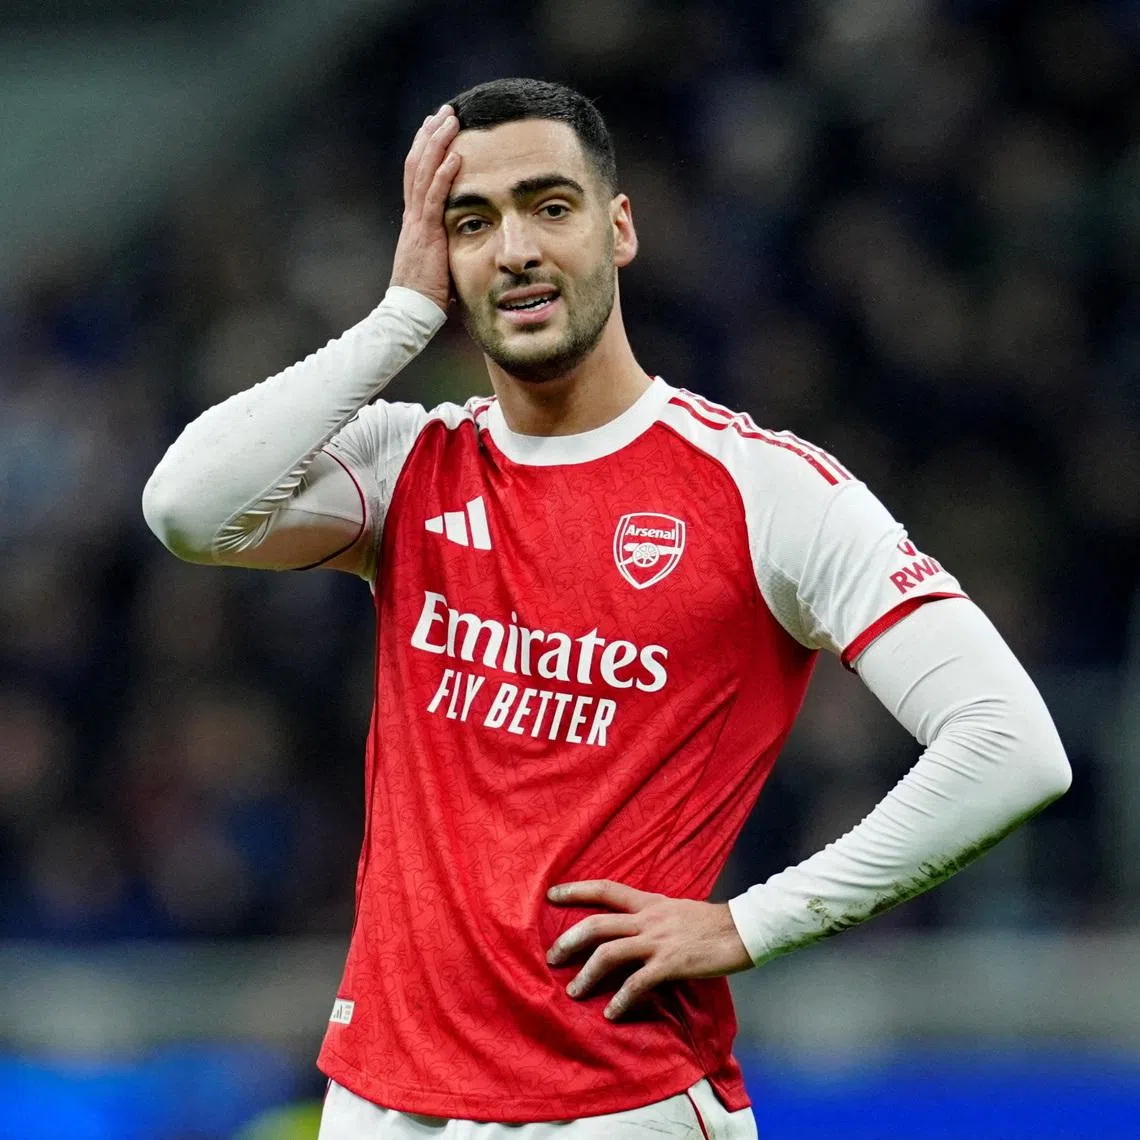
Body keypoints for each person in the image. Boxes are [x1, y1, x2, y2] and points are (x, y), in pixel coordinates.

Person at [142, 78, 1071, 1139]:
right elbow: (187, 507)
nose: (516, 250)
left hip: (614, 1104)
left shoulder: (764, 489)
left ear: (618, 226)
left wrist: (749, 924)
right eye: (472, 222)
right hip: (381, 1099)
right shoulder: (412, 463)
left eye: (550, 206)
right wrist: (401, 315)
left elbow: (1011, 745)